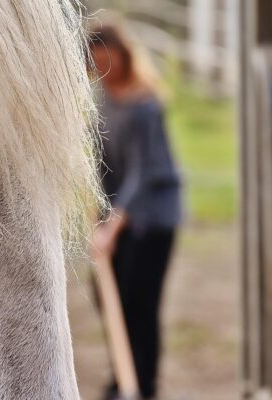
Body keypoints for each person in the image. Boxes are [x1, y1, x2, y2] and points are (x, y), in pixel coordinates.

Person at [88, 17, 182, 400]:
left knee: (140, 303)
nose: (101, 71)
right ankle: (121, 377)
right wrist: (98, 215)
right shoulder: (103, 101)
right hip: (117, 217)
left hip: (152, 218)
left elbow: (143, 175)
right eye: (95, 64)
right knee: (109, 299)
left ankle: (142, 386)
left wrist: (112, 224)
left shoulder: (146, 106)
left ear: (121, 56)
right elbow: (100, 166)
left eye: (106, 61)